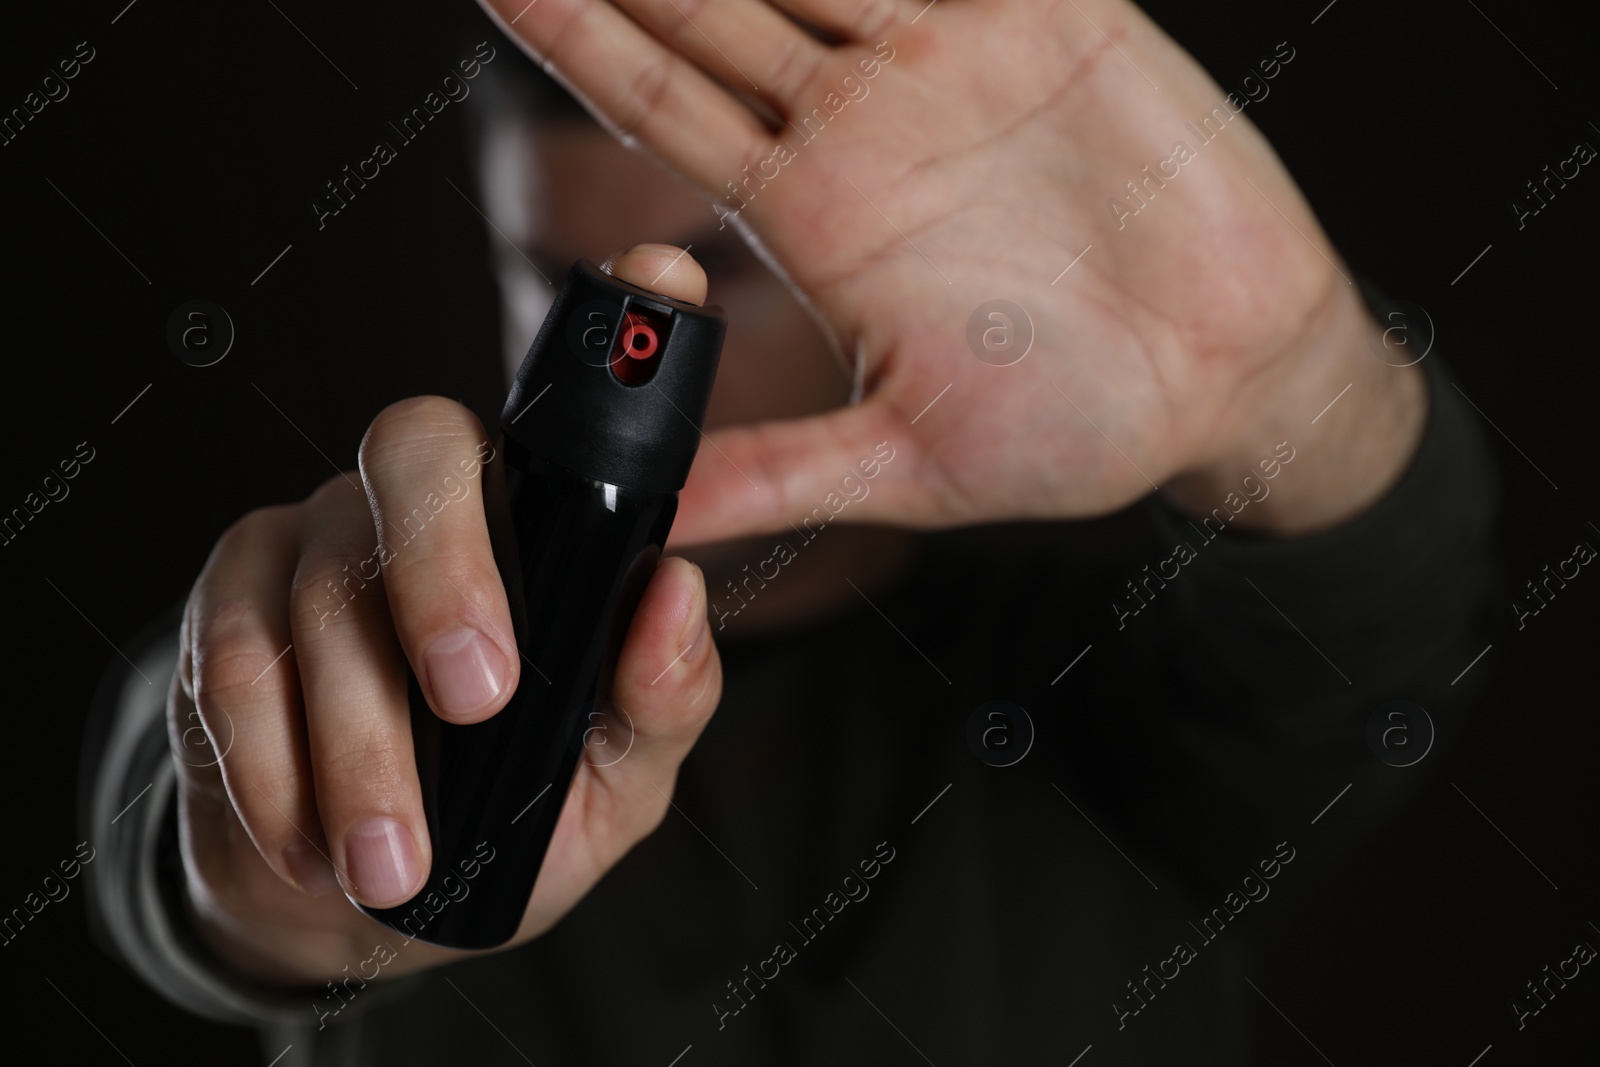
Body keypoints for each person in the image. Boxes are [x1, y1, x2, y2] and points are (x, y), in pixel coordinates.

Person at [81, 0, 1498, 1063]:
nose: (642, 352)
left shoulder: (1128, 659)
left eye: (734, 281)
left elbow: (1373, 622)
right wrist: (292, 879)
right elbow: (175, 837)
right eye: (560, 289)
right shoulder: (389, 624)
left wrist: (1284, 382)